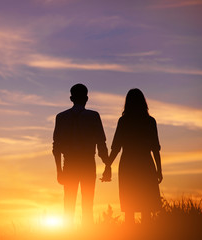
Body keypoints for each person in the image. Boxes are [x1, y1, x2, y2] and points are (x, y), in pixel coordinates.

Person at [52, 83, 109, 227]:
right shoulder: (94, 116)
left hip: (69, 165)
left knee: (68, 204)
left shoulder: (61, 117)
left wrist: (59, 170)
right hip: (88, 164)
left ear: (71, 98)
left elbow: (56, 148)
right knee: (88, 204)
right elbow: (101, 145)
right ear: (87, 98)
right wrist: (107, 165)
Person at [106, 88, 163, 224]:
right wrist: (159, 170)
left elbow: (116, 147)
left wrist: (108, 165)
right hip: (145, 164)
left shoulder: (124, 121)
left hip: (128, 165)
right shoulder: (150, 121)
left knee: (129, 205)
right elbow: (155, 149)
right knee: (146, 206)